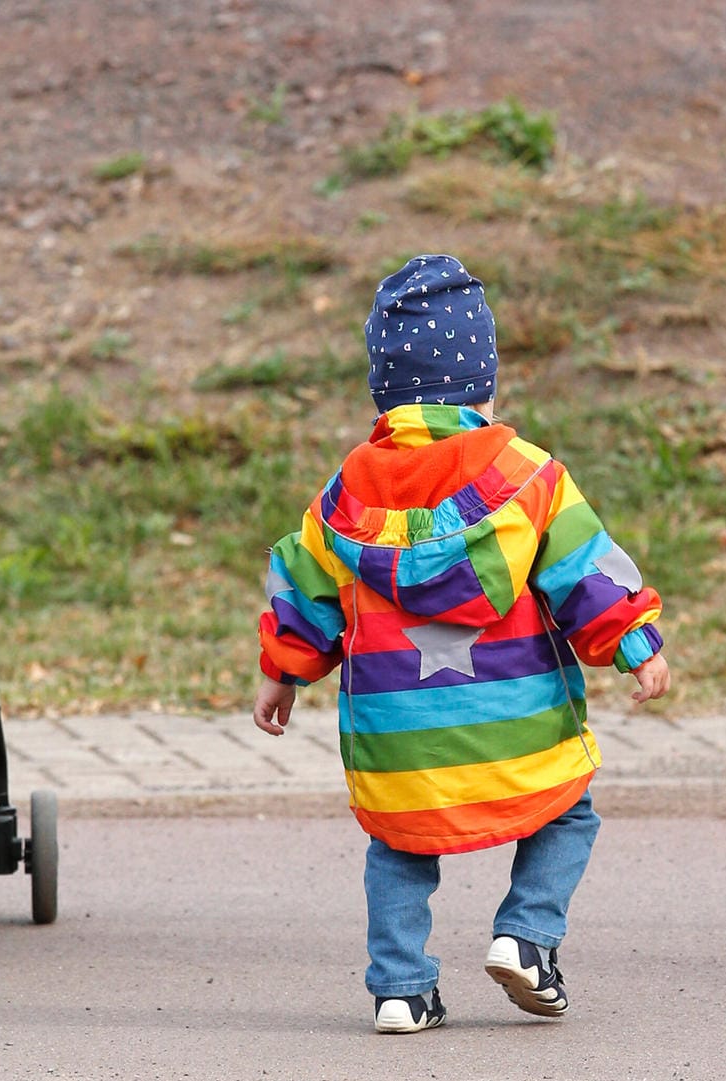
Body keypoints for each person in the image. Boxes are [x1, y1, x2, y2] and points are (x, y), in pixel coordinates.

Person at [252, 254, 671, 1033]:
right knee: (569, 812)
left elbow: (303, 586)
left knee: (398, 844)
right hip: (518, 726)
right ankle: (526, 937)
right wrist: (634, 639)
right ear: (484, 382)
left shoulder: (343, 494)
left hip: (398, 737)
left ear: (385, 387)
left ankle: (401, 989)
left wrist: (284, 670)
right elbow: (585, 567)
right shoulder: (531, 476)